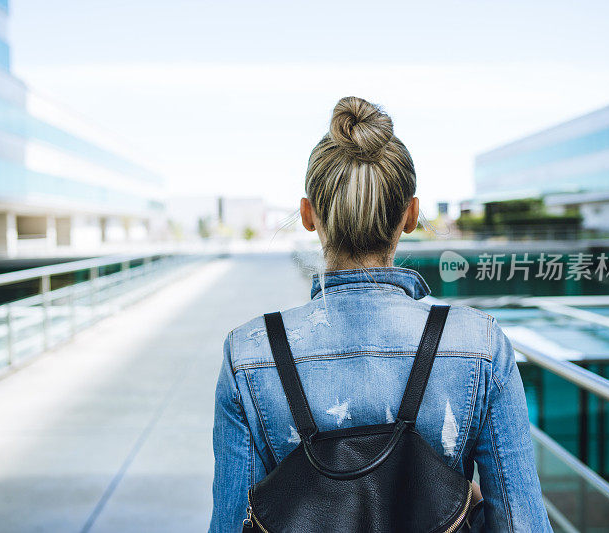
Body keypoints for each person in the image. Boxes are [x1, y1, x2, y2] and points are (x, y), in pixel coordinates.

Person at [209, 96, 551, 532]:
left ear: (308, 215)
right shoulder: (479, 344)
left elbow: (230, 523)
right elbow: (525, 525)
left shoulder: (251, 352)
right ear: (410, 215)